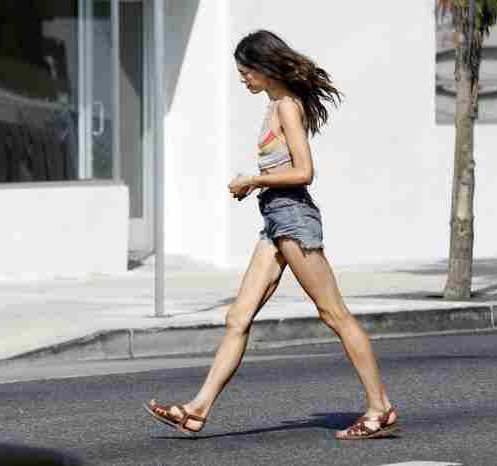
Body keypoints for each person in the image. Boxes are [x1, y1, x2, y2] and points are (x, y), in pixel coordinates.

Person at [145, 30, 398, 440]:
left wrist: (254, 180)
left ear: (265, 69)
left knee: (335, 315)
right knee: (237, 317)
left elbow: (305, 171)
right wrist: (260, 187)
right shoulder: (272, 107)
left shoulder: (286, 108)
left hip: (294, 219)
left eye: (246, 71)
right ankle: (196, 410)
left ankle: (379, 408)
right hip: (275, 222)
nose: (242, 78)